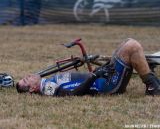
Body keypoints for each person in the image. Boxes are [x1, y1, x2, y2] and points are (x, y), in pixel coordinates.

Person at [16, 38, 160, 96]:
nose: (28, 76)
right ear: (32, 89)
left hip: (104, 79)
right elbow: (72, 95)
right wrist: (94, 76)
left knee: (127, 44)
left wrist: (98, 73)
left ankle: (153, 83)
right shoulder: (48, 88)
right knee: (131, 46)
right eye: (26, 80)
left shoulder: (48, 81)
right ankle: (153, 87)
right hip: (108, 86)